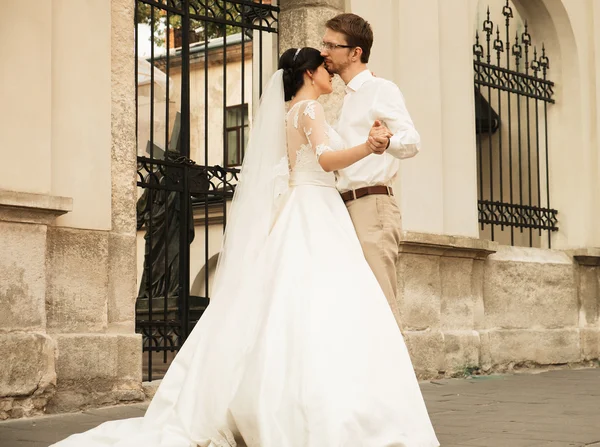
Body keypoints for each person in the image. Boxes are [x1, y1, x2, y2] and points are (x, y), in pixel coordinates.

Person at [50, 47, 438, 447]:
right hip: (314, 207)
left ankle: (285, 396)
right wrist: (369, 148)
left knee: (295, 303)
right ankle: (316, 403)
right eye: (324, 68)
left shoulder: (294, 112)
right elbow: (326, 161)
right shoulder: (309, 111)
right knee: (321, 303)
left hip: (311, 204)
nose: (331, 74)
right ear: (308, 72)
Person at [322, 13, 421, 325]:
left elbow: (412, 141)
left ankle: (397, 374)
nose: (324, 51)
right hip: (345, 209)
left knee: (381, 304)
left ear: (355, 52)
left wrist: (385, 143)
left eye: (331, 45)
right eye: (323, 44)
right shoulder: (348, 98)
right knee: (359, 305)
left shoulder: (381, 89)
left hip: (372, 206)